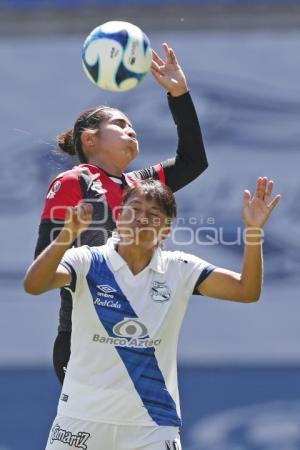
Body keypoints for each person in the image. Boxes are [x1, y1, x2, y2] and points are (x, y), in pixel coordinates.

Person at [24, 177, 280, 450]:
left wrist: (253, 232)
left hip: (152, 426)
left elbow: (246, 291)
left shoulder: (180, 269)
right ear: (119, 215)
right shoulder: (87, 260)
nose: (142, 218)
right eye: (134, 208)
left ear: (166, 230)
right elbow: (34, 285)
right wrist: (66, 236)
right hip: (80, 419)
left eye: (154, 214)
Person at [34, 43, 209, 384]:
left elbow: (193, 162)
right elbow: (44, 260)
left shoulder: (138, 187)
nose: (132, 130)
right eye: (119, 124)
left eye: (133, 126)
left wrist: (179, 94)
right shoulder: (74, 181)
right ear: (90, 140)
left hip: (140, 330)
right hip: (86, 335)